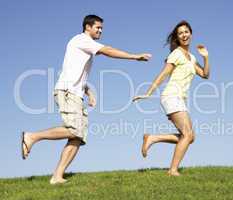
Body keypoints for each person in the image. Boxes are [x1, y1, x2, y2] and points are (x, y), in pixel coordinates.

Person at [21, 14, 151, 184]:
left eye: (102, 28)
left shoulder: (82, 45)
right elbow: (107, 50)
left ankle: (57, 176)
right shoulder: (81, 40)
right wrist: (134, 56)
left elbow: (74, 71)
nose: (100, 31)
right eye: (98, 27)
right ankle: (32, 137)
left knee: (78, 136)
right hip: (67, 92)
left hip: (75, 93)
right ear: (87, 27)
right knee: (74, 130)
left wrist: (87, 90)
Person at [133, 20, 209, 176]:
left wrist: (206, 57)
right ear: (177, 37)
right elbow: (163, 74)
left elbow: (205, 75)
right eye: (180, 33)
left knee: (190, 137)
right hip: (171, 96)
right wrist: (148, 92)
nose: (184, 35)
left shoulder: (192, 58)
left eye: (186, 31)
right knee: (187, 135)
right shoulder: (176, 54)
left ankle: (152, 138)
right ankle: (172, 170)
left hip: (179, 98)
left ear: (191, 34)